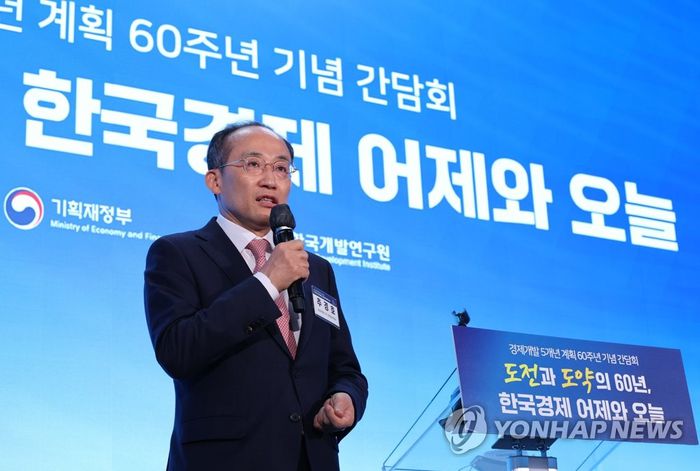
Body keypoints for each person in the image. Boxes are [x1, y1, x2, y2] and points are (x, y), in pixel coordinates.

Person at [144, 121, 368, 471]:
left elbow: (345, 368)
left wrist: (346, 398)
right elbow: (178, 351)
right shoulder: (177, 253)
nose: (270, 180)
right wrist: (267, 282)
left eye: (281, 168)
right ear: (215, 180)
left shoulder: (315, 268)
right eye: (253, 164)